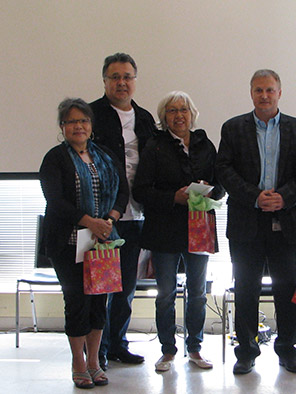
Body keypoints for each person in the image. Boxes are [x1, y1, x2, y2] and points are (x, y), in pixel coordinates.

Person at [216, 69, 296, 375]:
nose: (265, 95)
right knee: (246, 289)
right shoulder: (233, 128)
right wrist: (255, 196)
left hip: (287, 220)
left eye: (270, 90)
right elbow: (224, 170)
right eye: (259, 90)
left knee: (287, 288)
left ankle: (288, 350)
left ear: (279, 93)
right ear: (251, 93)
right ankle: (246, 351)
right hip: (247, 220)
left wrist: (285, 196)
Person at [39, 98, 129, 388]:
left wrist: (110, 221)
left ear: (91, 126)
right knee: (77, 301)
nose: (79, 126)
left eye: (84, 121)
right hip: (67, 244)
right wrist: (91, 222)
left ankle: (94, 362)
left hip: (103, 242)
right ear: (62, 127)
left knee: (98, 303)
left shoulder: (104, 156)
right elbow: (55, 201)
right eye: (72, 121)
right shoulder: (55, 158)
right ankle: (78, 363)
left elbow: (122, 192)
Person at [133, 91, 224, 372]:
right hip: (164, 229)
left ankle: (194, 348)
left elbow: (221, 186)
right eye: (172, 111)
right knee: (166, 294)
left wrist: (208, 190)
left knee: (197, 292)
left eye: (183, 109)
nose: (179, 115)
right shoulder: (154, 145)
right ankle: (167, 350)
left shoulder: (204, 144)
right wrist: (174, 197)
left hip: (199, 227)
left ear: (192, 113)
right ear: (164, 117)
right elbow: (141, 190)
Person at [90, 53, 157, 370]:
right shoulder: (90, 115)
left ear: (134, 79)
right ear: (104, 80)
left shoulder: (144, 118)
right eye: (114, 76)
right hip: (104, 217)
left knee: (127, 286)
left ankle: (118, 343)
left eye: (127, 76)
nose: (121, 82)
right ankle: (97, 349)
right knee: (101, 287)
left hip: (137, 216)